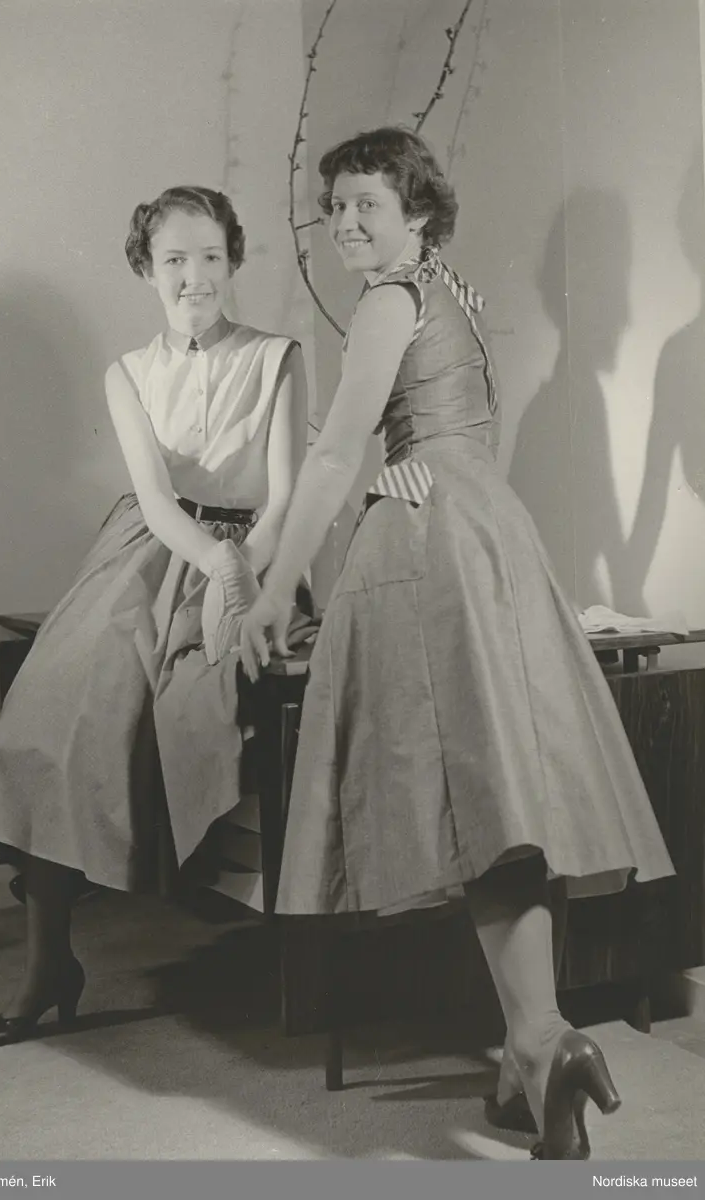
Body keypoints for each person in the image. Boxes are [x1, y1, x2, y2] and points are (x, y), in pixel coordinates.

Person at [239, 128, 675, 1159]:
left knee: (477, 801)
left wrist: (274, 587)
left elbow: (337, 452)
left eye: (368, 205)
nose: (346, 222)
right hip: (492, 534)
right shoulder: (453, 297)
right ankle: (529, 1057)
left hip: (431, 544)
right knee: (508, 800)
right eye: (336, 205)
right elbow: (449, 434)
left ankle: (540, 1041)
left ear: (418, 214)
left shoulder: (390, 300)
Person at [0, 185, 311, 1049]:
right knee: (52, 709)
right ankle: (48, 964)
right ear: (147, 269)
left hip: (259, 557)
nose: (195, 277)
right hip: (151, 555)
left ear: (233, 260)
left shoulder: (279, 357)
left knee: (196, 708)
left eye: (212, 257)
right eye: (175, 260)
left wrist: (240, 573)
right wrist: (211, 559)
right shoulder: (129, 373)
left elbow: (288, 497)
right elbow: (155, 502)